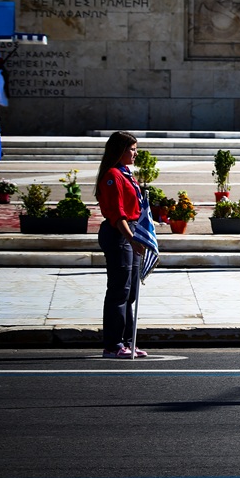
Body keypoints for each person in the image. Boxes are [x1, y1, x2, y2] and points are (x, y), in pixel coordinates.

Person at [94, 132, 149, 359]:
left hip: (131, 233)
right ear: (119, 151)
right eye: (132, 149)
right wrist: (131, 239)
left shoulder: (127, 174)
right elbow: (117, 215)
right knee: (119, 290)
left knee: (131, 292)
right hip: (119, 235)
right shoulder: (112, 176)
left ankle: (128, 341)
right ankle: (113, 344)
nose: (135, 153)